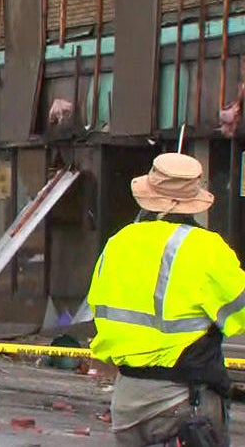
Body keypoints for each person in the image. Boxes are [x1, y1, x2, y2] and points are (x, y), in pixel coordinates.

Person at [88, 153, 245, 446]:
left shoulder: (118, 243)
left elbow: (97, 307)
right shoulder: (206, 248)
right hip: (184, 404)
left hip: (127, 403)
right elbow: (240, 315)